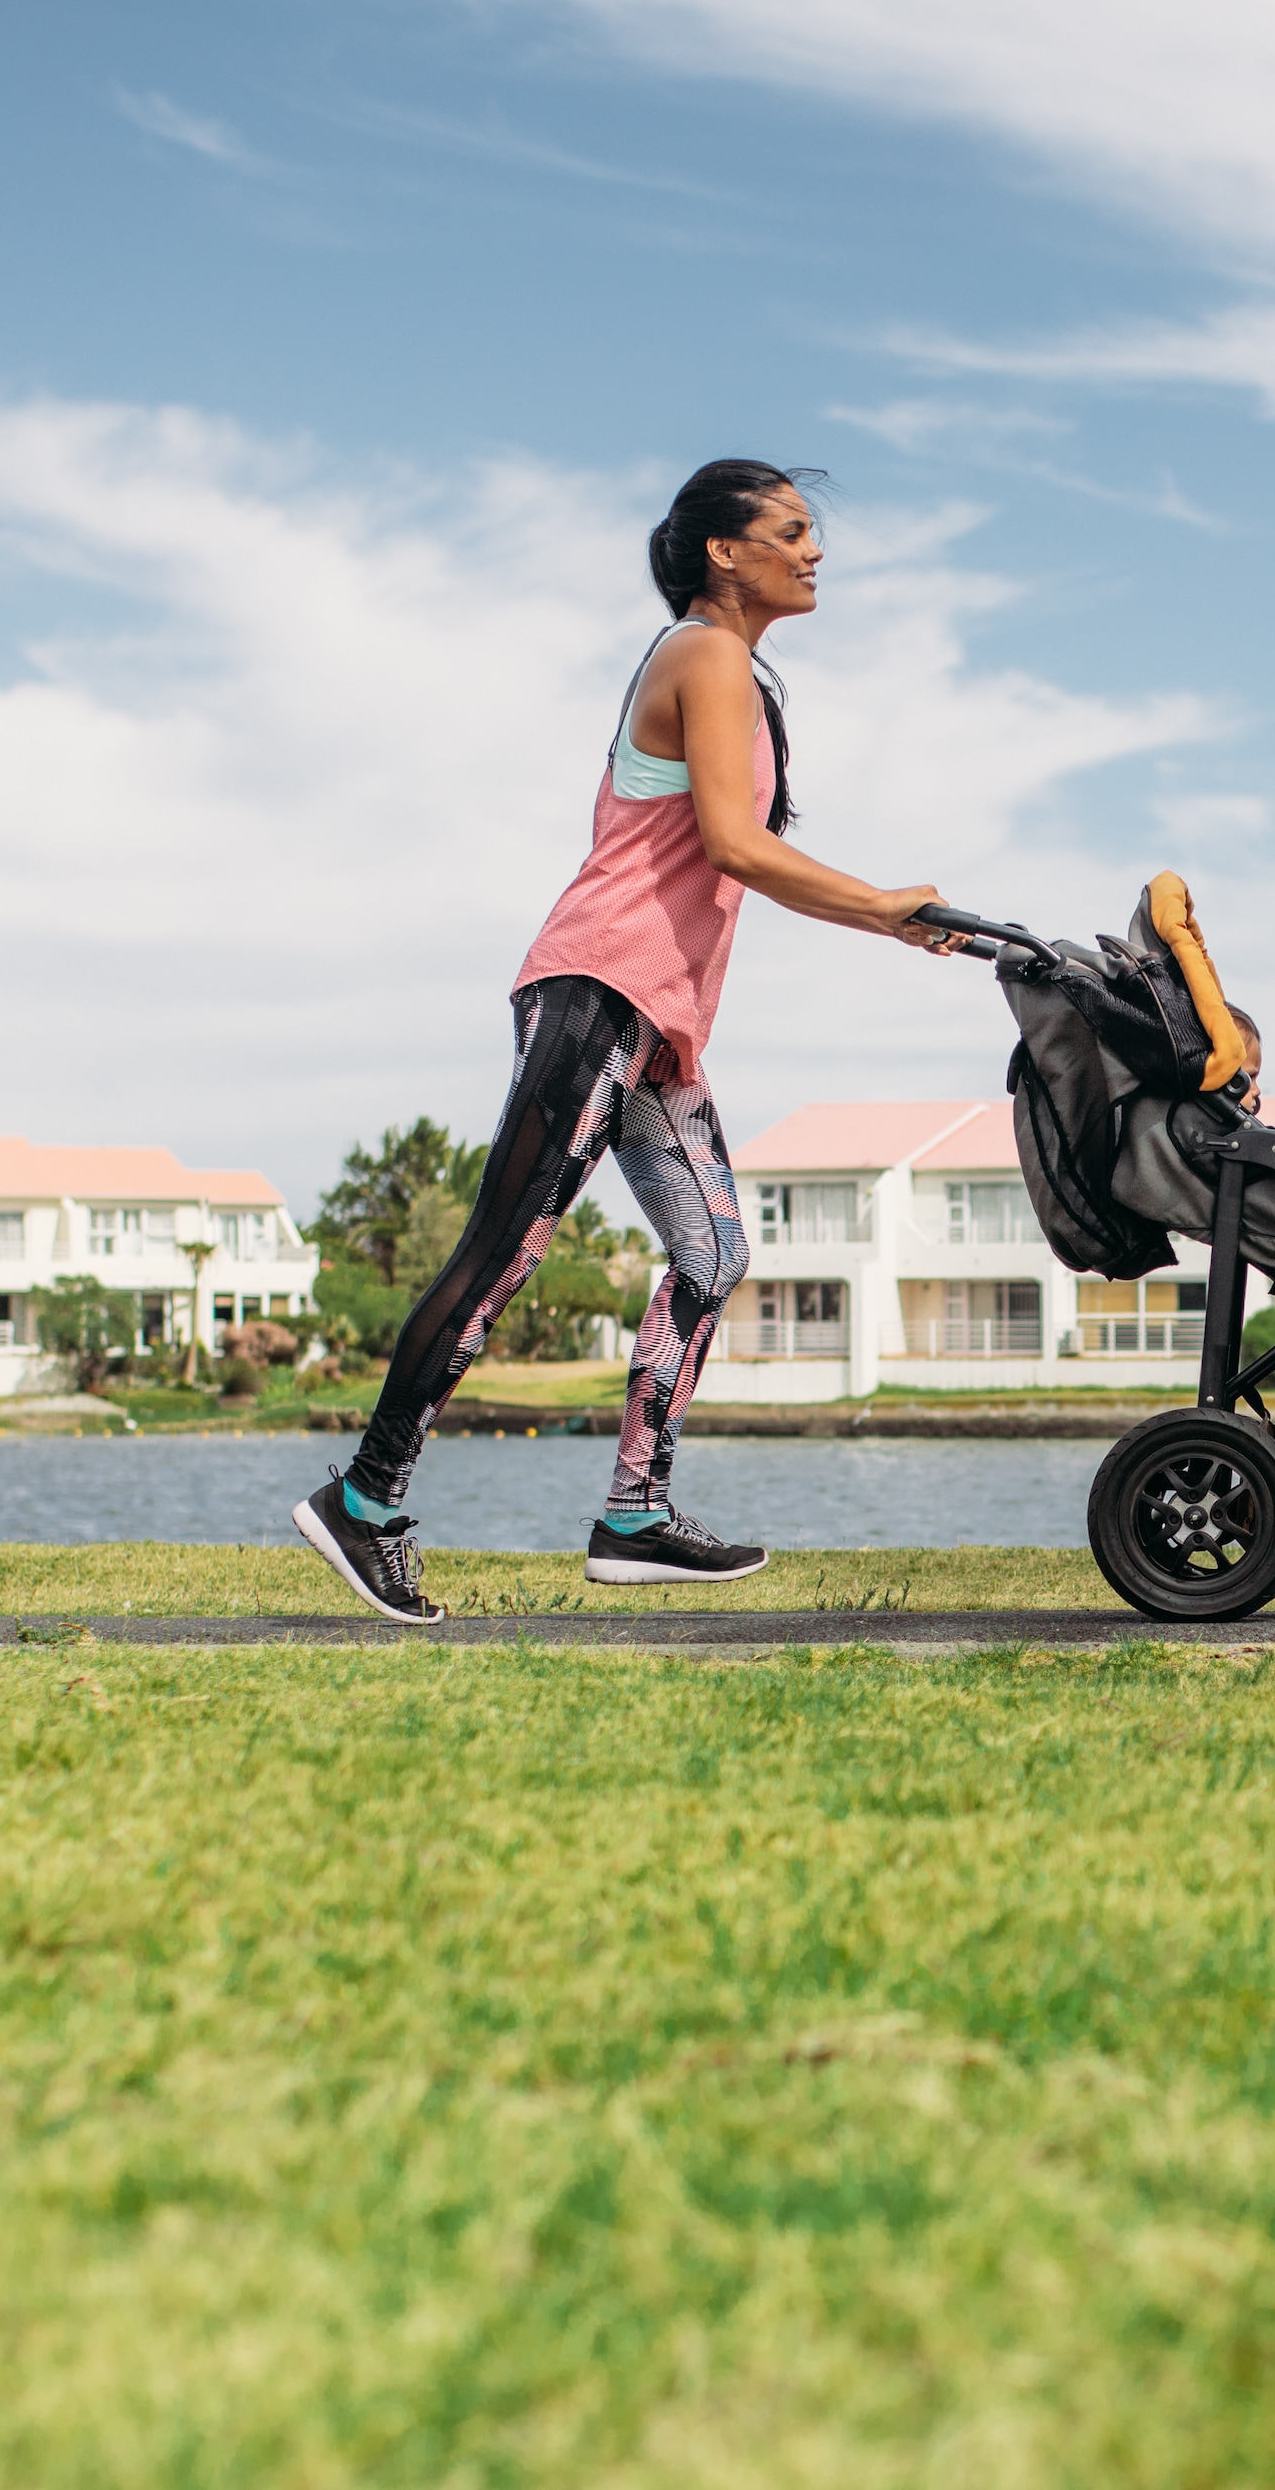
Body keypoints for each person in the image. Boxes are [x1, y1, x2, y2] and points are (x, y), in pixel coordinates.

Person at [293, 458, 951, 1621]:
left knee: (713, 1255)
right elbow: (733, 846)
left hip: (654, 1020)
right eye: (791, 531)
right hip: (596, 988)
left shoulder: (731, 668)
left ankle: (632, 1517)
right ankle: (364, 1500)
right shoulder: (702, 652)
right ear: (723, 551)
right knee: (500, 1252)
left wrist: (887, 918)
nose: (813, 552)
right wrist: (880, 908)